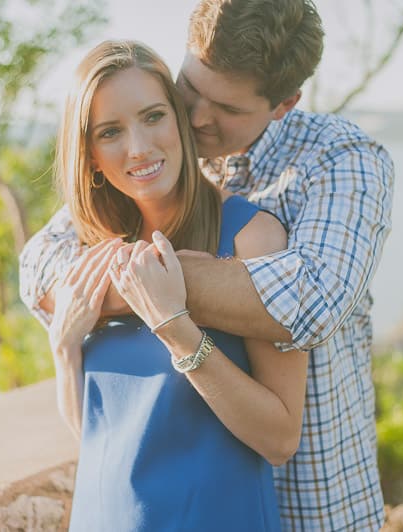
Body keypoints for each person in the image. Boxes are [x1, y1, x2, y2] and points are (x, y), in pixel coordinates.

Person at [21, 0, 394, 529]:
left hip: (314, 508)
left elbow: (307, 303)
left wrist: (156, 291)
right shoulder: (146, 171)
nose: (196, 118)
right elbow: (39, 268)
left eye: (227, 108)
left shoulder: (338, 160)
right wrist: (72, 335)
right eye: (188, 90)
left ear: (283, 103)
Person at [47, 39, 308, 531]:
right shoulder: (95, 251)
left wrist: (176, 327)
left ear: (180, 120)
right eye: (110, 132)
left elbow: (280, 439)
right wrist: (64, 347)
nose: (139, 148)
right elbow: (97, 435)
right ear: (91, 156)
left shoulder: (253, 238)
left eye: (153, 117)